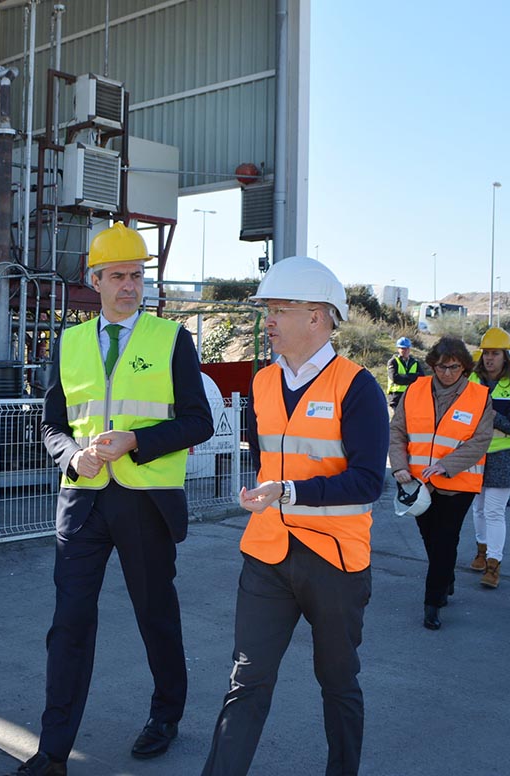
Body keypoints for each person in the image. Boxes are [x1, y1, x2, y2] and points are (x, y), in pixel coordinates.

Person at [7, 223, 213, 776]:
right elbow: (51, 424)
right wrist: (72, 456)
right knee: (69, 622)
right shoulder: (69, 343)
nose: (129, 286)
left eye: (137, 275)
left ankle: (166, 715)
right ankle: (53, 751)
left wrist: (138, 441)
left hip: (145, 501)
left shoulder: (171, 340)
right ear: (94, 280)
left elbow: (200, 422)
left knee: (155, 615)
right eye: (118, 276)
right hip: (82, 501)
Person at [202, 256, 388, 776]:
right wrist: (261, 494)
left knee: (338, 682)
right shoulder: (263, 383)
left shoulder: (357, 387)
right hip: (266, 555)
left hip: (334, 560)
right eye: (267, 310)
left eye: (281, 309)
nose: (270, 321)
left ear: (318, 317)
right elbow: (267, 458)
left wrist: (287, 491)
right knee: (247, 680)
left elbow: (369, 481)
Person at [390, 336, 493, 630]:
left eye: (454, 367)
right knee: (431, 539)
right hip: (417, 483)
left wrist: (446, 466)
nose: (447, 373)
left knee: (445, 539)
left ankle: (432, 603)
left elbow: (481, 441)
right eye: (441, 367)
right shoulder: (415, 390)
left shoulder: (479, 396)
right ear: (432, 365)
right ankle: (446, 576)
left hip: (457, 483)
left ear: (465, 367)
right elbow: (397, 431)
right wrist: (399, 466)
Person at [466, 328, 510, 589]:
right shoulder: (470, 380)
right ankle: (481, 552)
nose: (490, 358)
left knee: (493, 511)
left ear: (506, 356)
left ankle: (494, 564)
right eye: (486, 353)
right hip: (474, 454)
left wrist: (494, 417)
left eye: (495, 353)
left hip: (506, 457)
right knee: (478, 508)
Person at [386, 336, 423, 410]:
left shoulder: (415, 362)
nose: (405, 350)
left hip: (411, 396)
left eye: (407, 348)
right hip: (396, 396)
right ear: (398, 349)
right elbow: (395, 378)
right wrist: (414, 377)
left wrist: (405, 378)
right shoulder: (393, 362)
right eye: (403, 348)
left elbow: (422, 378)